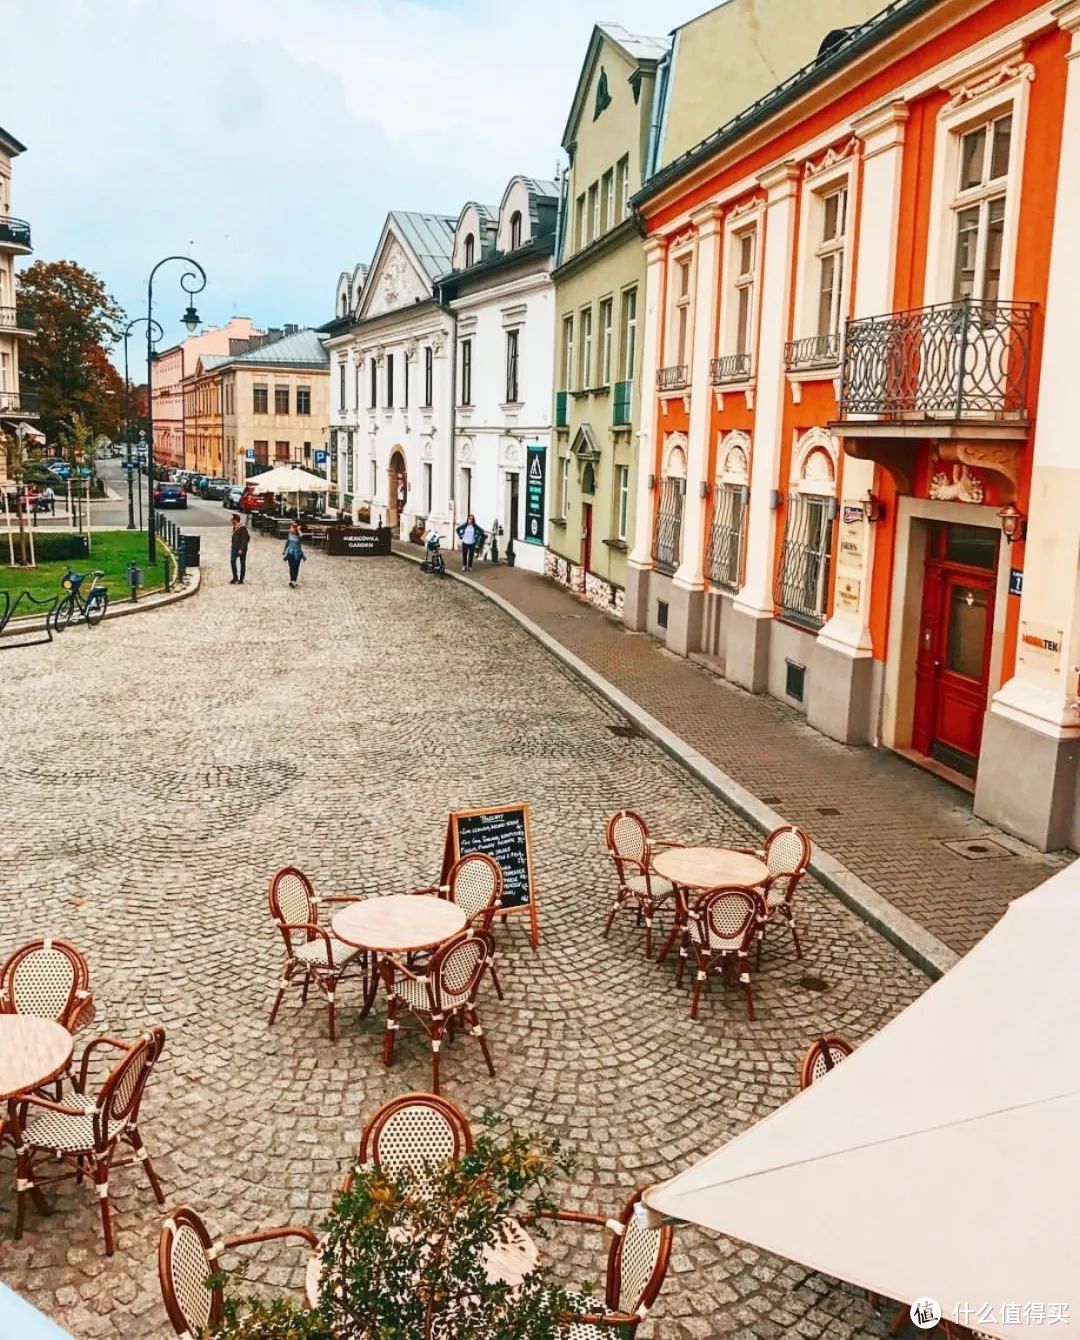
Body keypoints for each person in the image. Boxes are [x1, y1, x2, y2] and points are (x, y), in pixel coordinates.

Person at [283, 522, 306, 587]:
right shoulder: (289, 535)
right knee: (291, 567)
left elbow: (302, 536)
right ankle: (292, 580)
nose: (290, 528)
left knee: (296, 567)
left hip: (298, 554)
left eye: (291, 527)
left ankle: (294, 580)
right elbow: (287, 542)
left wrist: (299, 530)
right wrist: (284, 550)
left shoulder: (299, 536)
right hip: (290, 553)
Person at [230, 514, 250, 585]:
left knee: (242, 562)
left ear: (235, 520)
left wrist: (241, 549)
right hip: (234, 547)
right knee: (232, 561)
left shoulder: (243, 528)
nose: (231, 521)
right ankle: (235, 577)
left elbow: (245, 539)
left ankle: (241, 578)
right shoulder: (234, 527)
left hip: (241, 548)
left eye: (232, 519)